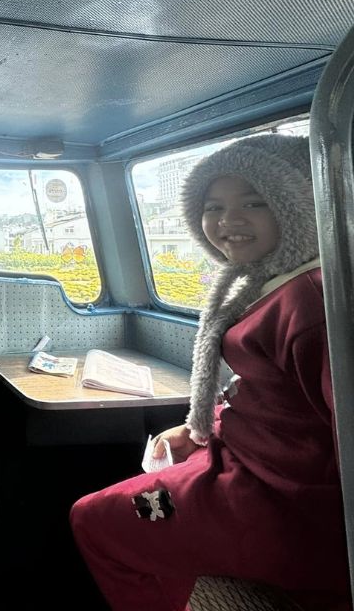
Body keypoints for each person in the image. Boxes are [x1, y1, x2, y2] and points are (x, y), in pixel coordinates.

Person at [69, 134, 351, 611]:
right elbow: (277, 401)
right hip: (247, 468)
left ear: (301, 204)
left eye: (254, 202)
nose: (228, 221)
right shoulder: (272, 286)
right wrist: (203, 431)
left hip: (285, 507)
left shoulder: (310, 302)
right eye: (213, 206)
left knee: (92, 520)